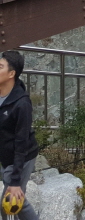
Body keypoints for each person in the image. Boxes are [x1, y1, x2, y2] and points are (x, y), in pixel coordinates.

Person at [0, 51, 40, 220]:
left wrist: (16, 181)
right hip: (6, 156)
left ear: (11, 74)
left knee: (10, 202)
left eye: (0, 67)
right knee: (13, 202)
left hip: (22, 157)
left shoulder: (22, 104)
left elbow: (21, 142)